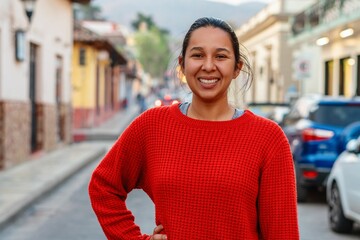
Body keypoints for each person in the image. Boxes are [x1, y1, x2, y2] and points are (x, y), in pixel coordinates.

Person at [88, 17, 299, 240]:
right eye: (198, 55)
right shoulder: (152, 126)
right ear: (182, 65)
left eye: (220, 56)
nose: (208, 66)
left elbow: (282, 233)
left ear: (237, 67)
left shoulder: (268, 138)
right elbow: (104, 187)